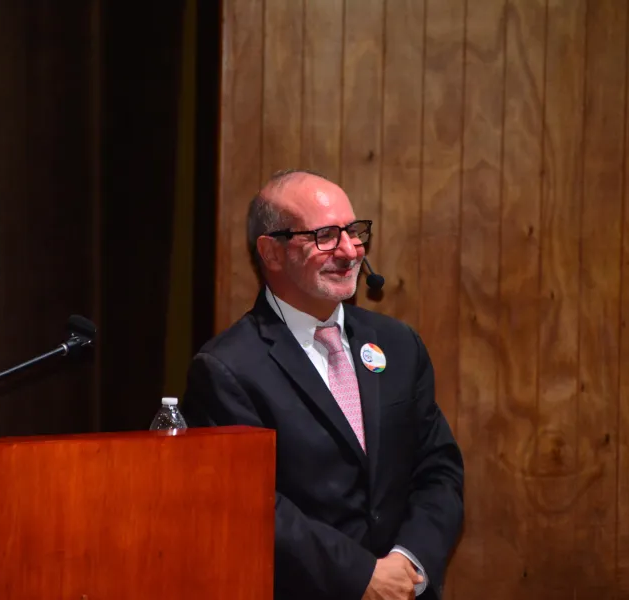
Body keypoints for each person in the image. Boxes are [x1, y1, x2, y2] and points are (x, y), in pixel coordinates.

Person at [181, 169, 464, 600]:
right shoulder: (227, 369)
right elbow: (251, 505)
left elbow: (439, 467)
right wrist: (363, 576)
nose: (350, 251)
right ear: (271, 252)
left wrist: (410, 560)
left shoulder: (398, 344)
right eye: (326, 236)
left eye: (354, 231)